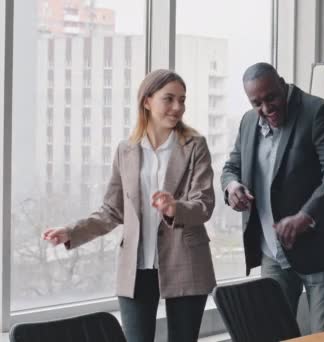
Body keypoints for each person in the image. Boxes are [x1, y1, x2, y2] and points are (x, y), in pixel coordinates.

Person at [42, 69, 216, 342]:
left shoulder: (195, 146)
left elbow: (204, 203)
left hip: (186, 261)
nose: (177, 107)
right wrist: (71, 232)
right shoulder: (126, 149)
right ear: (146, 101)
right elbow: (112, 211)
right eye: (168, 99)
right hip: (135, 266)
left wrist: (175, 208)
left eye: (182, 100)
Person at [221, 62, 324, 333]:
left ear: (282, 83)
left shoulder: (317, 111)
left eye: (271, 97)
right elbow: (231, 167)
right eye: (256, 102)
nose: (266, 108)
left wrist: (305, 216)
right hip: (272, 252)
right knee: (273, 333)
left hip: (321, 251)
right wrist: (232, 186)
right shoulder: (248, 122)